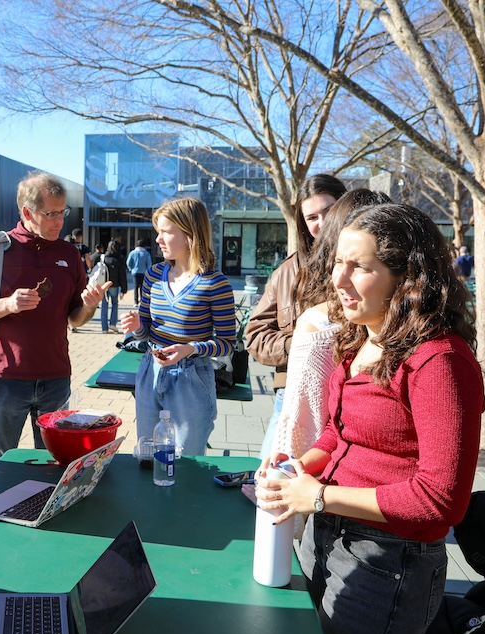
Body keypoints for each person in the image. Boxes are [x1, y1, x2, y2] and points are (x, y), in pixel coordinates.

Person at [255, 203, 484, 634]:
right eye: (338, 261)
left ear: (407, 278)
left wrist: (315, 497)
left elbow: (440, 500)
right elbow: (340, 435)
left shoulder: (440, 362)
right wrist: (300, 465)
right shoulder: (362, 339)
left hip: (388, 563)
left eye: (360, 266)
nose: (338, 278)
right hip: (328, 537)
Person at [0, 172, 110, 476]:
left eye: (62, 212)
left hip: (56, 378)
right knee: (2, 459)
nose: (59, 221)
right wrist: (7, 304)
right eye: (51, 214)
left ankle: (47, 511)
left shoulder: (69, 254)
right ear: (27, 213)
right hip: (7, 379)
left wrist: (90, 306)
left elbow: (75, 317)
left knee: (56, 461)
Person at [269, 189, 391, 460]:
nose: (320, 223)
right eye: (312, 216)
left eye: (360, 265)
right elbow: (309, 434)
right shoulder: (317, 321)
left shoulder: (415, 339)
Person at [119, 197, 236, 457]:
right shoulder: (152, 275)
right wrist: (138, 326)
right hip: (150, 371)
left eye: (166, 232)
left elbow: (228, 342)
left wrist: (190, 349)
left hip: (192, 379)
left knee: (186, 462)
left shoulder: (215, 284)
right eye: (158, 232)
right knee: (148, 456)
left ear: (190, 234)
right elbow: (146, 331)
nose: (158, 239)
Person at [246, 173, 347, 460]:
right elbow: (255, 335)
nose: (322, 224)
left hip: (350, 400)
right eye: (312, 217)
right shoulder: (286, 273)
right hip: (293, 396)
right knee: (272, 482)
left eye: (329, 211)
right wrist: (300, 345)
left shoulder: (372, 263)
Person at [100, 240, 128, 333]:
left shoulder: (103, 258)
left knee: (104, 304)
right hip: (114, 284)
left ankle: (104, 328)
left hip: (104, 284)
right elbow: (122, 275)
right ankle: (113, 323)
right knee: (114, 304)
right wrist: (124, 289)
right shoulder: (119, 259)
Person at [126, 239, 152, 305]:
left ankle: (135, 301)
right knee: (142, 287)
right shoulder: (146, 253)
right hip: (143, 272)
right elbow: (149, 263)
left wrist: (131, 269)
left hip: (135, 272)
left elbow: (128, 262)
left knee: (135, 286)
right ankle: (142, 300)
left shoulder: (132, 253)